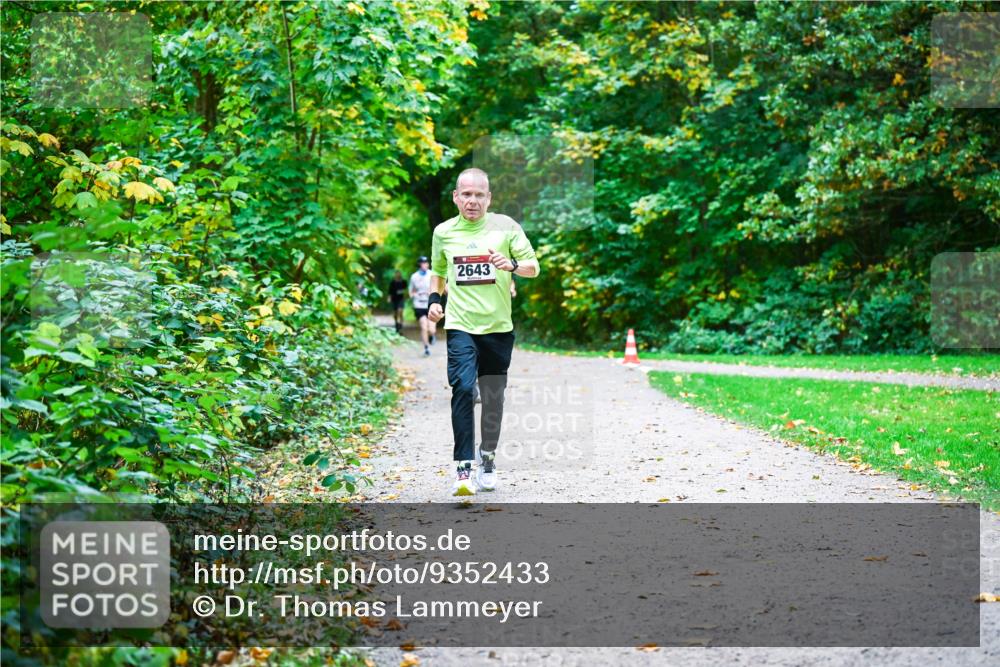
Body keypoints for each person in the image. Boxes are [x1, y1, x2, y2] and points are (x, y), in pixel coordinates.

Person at [427, 168, 539, 496]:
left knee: (492, 397)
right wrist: (435, 300)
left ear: (489, 198)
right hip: (460, 324)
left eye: (479, 195)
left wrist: (513, 266)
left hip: (498, 328)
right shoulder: (443, 232)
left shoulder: (506, 227)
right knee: (462, 388)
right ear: (455, 197)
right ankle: (463, 470)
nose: (472, 201)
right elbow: (439, 271)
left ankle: (487, 457)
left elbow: (534, 267)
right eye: (466, 194)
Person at [409, 256, 435, 356]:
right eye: (423, 263)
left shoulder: (432, 274)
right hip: (419, 304)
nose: (425, 264)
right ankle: (426, 348)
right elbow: (410, 292)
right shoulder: (414, 277)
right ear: (419, 264)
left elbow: (437, 287)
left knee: (431, 330)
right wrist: (414, 294)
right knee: (424, 327)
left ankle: (431, 336)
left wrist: (432, 292)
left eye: (426, 262)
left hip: (430, 304)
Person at [388, 270, 406, 334]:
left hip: (401, 299)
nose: (397, 275)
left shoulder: (403, 282)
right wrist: (389, 298)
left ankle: (400, 325)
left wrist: (403, 293)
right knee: (395, 313)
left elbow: (406, 290)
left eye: (399, 274)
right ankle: (397, 324)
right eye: (396, 274)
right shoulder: (392, 282)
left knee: (400, 311)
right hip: (394, 299)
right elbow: (390, 291)